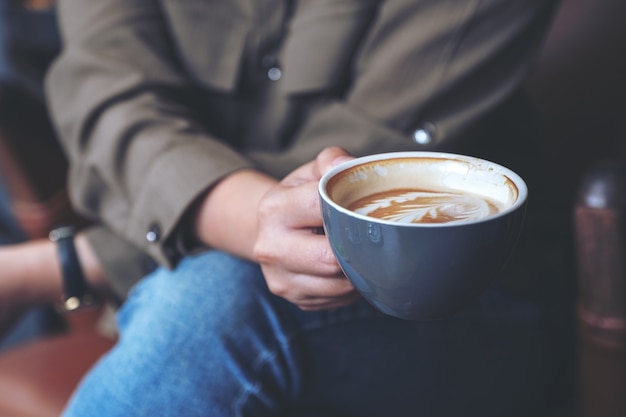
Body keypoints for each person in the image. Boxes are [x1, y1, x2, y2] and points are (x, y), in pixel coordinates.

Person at [16, 0, 575, 415]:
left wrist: (74, 260)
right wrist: (241, 211)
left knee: (213, 300)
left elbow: (367, 185)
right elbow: (107, 93)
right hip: (199, 281)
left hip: (462, 307)